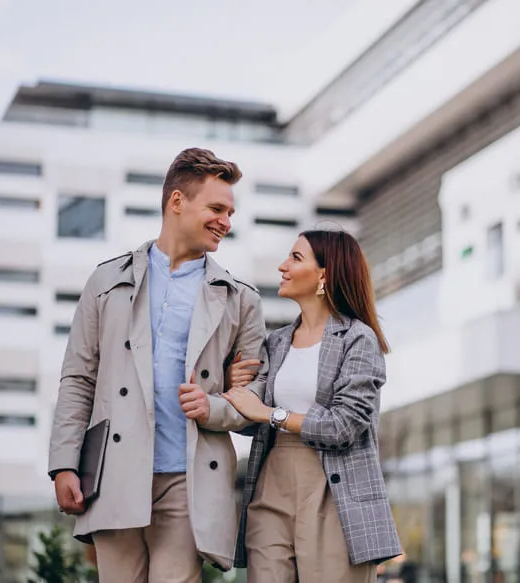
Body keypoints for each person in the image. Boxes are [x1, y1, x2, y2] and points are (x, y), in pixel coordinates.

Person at [47, 147, 267, 583]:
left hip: (190, 481)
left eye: (230, 211)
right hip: (114, 473)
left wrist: (213, 407)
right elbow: (78, 379)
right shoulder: (105, 283)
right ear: (177, 202)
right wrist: (64, 463)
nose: (226, 220)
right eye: (217, 208)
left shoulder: (241, 299)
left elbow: (253, 403)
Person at [222, 229, 402, 582]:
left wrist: (270, 413)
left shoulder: (358, 339)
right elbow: (250, 420)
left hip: (334, 492)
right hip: (271, 487)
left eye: (295, 258)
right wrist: (235, 387)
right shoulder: (276, 342)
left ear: (324, 274)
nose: (282, 266)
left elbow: (344, 425)